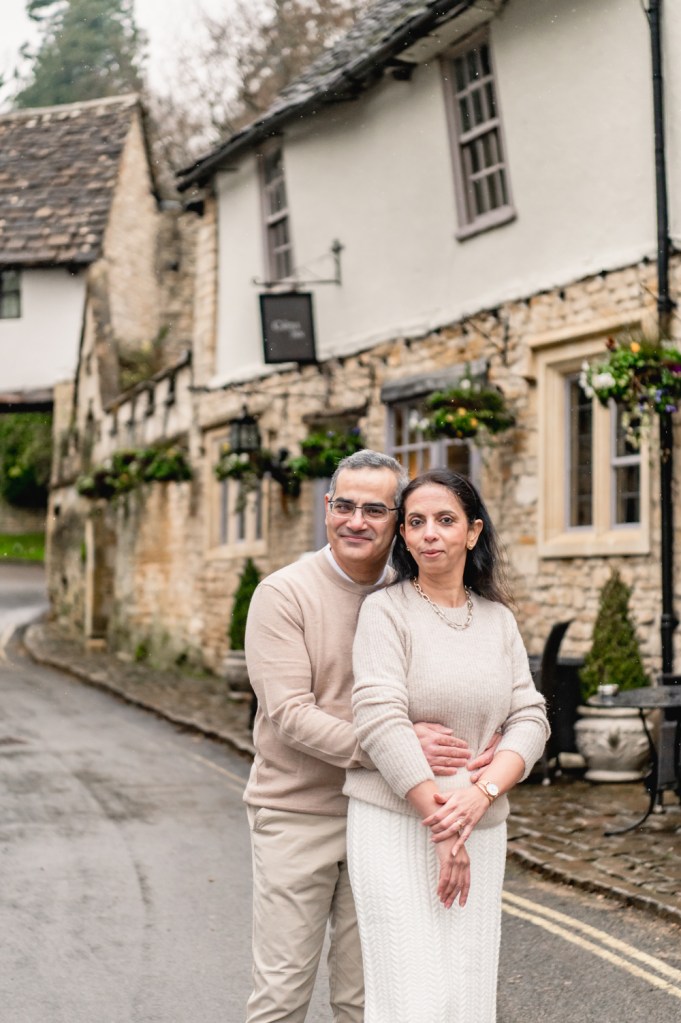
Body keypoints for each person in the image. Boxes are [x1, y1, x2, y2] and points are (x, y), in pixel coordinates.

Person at [243, 451, 498, 1023]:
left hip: (386, 820)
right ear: (327, 508)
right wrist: (393, 747)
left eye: (376, 509)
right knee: (282, 993)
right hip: (298, 814)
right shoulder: (282, 594)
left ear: (398, 521)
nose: (357, 520)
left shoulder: (411, 597)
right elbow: (288, 712)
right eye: (345, 506)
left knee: (367, 998)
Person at [345, 468, 550, 1023]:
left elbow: (530, 717)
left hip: (480, 828)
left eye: (445, 520)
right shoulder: (384, 612)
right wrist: (442, 828)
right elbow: (379, 719)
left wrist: (482, 793)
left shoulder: (498, 620)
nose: (430, 533)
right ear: (404, 538)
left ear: (473, 532)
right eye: (416, 522)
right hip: (395, 825)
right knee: (411, 996)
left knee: (466, 993)